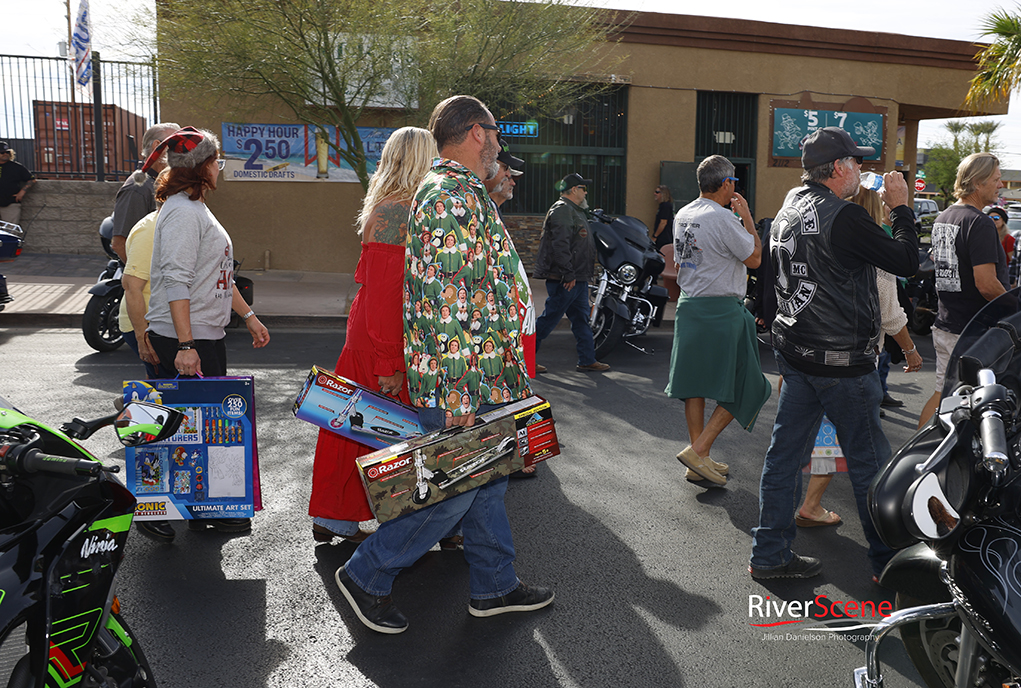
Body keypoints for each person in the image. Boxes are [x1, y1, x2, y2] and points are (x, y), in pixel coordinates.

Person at [335, 95, 553, 635]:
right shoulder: (450, 196)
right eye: (496, 133)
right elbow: (452, 299)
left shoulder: (459, 192)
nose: (500, 143)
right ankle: (367, 573)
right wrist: (458, 400)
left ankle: (495, 586)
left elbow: (481, 291)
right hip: (465, 382)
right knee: (450, 489)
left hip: (482, 376)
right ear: (476, 133)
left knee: (486, 483)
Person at [749, 127, 918, 580]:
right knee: (871, 468)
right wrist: (901, 206)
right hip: (842, 362)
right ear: (840, 168)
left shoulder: (789, 208)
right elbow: (906, 262)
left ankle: (769, 554)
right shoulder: (844, 216)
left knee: (783, 456)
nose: (861, 173)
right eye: (857, 164)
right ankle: (889, 564)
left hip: (797, 354)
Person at [140, 126, 271, 542]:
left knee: (195, 428)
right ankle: (153, 511)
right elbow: (176, 282)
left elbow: (217, 275)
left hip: (203, 334)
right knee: (178, 428)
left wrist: (248, 315)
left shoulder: (195, 209)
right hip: (186, 337)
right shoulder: (182, 212)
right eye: (217, 161)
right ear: (202, 167)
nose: (221, 168)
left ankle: (200, 507)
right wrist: (185, 346)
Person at [308, 127, 438, 544]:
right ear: (419, 159)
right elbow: (385, 294)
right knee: (367, 429)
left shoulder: (395, 206)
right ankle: (344, 519)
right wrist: (389, 363)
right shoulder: (397, 211)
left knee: (355, 429)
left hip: (376, 335)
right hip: (381, 340)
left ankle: (338, 518)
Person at [795, 186, 923, 528]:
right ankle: (886, 536)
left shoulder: (822, 234)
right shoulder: (877, 247)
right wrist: (910, 349)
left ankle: (806, 504)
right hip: (853, 358)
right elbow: (890, 313)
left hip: (809, 352)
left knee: (817, 436)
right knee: (865, 448)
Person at [666, 155, 769, 487]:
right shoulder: (724, 218)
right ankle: (699, 451)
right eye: (733, 182)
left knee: (693, 387)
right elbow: (755, 258)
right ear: (726, 183)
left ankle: (700, 458)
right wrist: (748, 218)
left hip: (690, 306)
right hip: (722, 311)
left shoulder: (683, 213)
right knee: (750, 384)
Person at [918, 152, 1007, 428]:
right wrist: (1014, 309)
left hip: (947, 324)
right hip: (972, 331)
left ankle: (913, 457)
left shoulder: (946, 215)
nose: (1001, 185)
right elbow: (986, 283)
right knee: (979, 401)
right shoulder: (978, 222)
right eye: (996, 179)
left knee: (942, 395)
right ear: (978, 182)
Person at [532, 173, 610, 373]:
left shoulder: (575, 211)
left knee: (581, 320)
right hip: (566, 280)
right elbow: (560, 245)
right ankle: (525, 359)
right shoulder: (562, 210)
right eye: (584, 189)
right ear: (574, 189)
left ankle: (587, 360)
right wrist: (568, 274)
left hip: (578, 279)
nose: (586, 193)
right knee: (549, 320)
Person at [110, 122, 181, 261]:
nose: (182, 151)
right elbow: (120, 244)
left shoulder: (163, 182)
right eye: (177, 145)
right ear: (157, 146)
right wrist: (146, 278)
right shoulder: (138, 188)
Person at [120, 209, 161, 379]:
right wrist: (142, 337)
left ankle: (137, 402)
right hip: (149, 323)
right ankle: (135, 403)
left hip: (160, 322)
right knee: (166, 389)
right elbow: (132, 285)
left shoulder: (173, 222)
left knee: (160, 385)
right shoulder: (151, 228)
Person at [0, 142, 36, 225]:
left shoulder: (17, 167)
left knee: (10, 230)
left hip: (10, 203)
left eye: (7, 152)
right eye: (2, 152)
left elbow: (31, 179)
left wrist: (22, 192)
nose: (5, 154)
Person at [652, 185, 674, 249]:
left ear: (663, 194)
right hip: (662, 238)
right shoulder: (662, 206)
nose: (655, 194)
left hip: (664, 239)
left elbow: (663, 223)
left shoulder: (665, 206)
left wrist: (655, 236)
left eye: (657, 192)